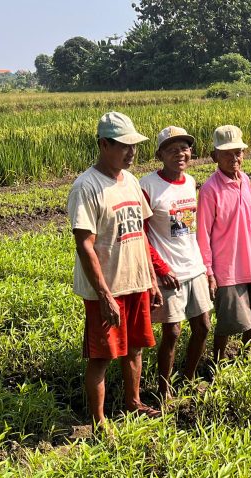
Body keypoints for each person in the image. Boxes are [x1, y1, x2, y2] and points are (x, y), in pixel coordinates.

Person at [68, 111, 164, 425]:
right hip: (106, 289)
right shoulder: (87, 187)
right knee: (102, 356)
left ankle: (133, 402)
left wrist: (151, 278)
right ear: (104, 144)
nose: (131, 152)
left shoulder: (132, 182)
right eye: (124, 145)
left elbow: (140, 234)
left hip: (136, 282)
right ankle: (98, 421)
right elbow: (85, 244)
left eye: (134, 145)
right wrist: (105, 295)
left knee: (135, 348)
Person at [140, 126, 212, 399]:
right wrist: (160, 269)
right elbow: (141, 234)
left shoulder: (191, 181)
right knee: (172, 332)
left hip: (194, 268)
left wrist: (205, 268)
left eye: (184, 148)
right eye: (171, 150)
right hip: (168, 272)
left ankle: (189, 378)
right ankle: (164, 390)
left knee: (203, 326)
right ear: (160, 155)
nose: (180, 154)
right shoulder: (148, 186)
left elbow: (191, 231)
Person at [197, 125, 251, 361]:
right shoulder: (210, 189)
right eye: (227, 153)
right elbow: (203, 235)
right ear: (214, 156)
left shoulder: (246, 181)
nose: (234, 158)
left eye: (238, 152)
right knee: (228, 324)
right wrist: (209, 272)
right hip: (226, 269)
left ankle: (245, 356)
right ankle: (217, 362)